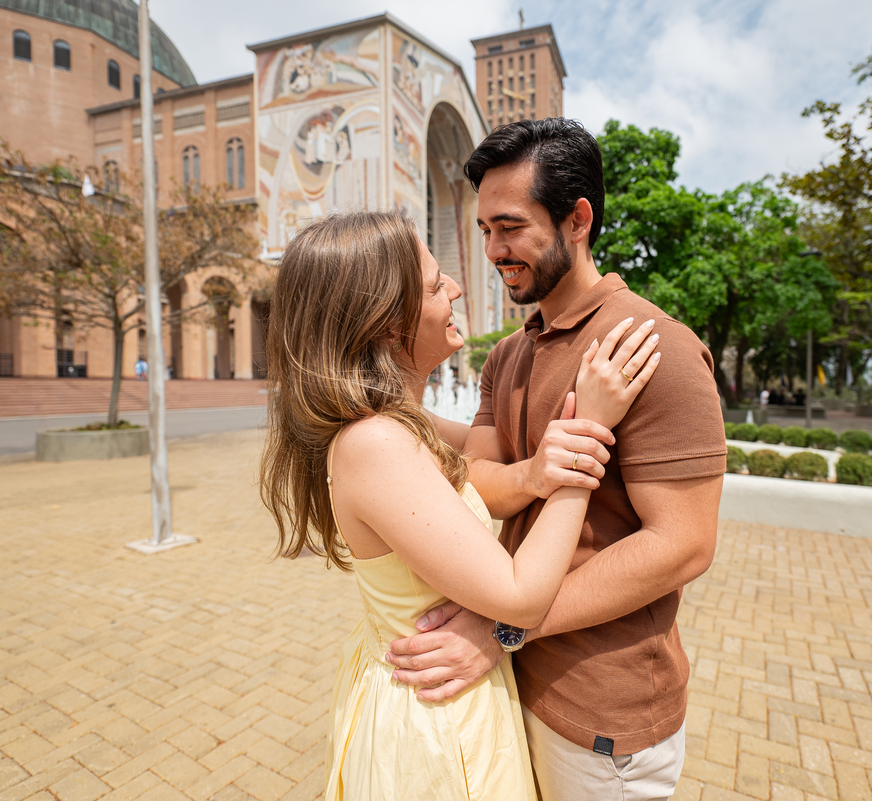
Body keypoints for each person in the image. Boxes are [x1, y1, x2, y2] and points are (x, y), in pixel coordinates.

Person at [259, 210, 662, 800]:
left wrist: (531, 468)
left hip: (433, 694)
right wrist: (587, 438)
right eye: (433, 284)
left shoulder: (400, 424)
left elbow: (476, 458)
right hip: (438, 720)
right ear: (385, 322)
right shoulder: (375, 442)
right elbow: (521, 594)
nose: (456, 288)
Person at [387, 118, 728, 801]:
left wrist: (504, 626)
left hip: (603, 712)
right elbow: (484, 471)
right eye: (484, 229)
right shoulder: (512, 352)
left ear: (577, 219)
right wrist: (388, 414)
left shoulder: (652, 345)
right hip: (514, 681)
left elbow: (683, 544)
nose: (493, 249)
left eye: (509, 227)